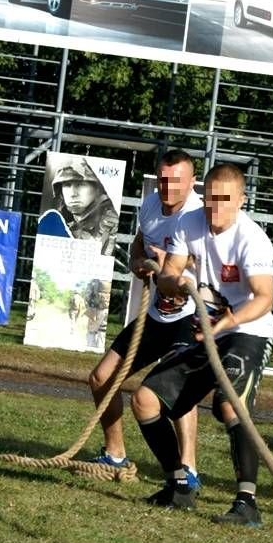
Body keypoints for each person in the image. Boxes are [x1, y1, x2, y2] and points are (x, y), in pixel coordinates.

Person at [131, 162, 273, 525]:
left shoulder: (252, 239)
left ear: (241, 200)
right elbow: (170, 273)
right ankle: (179, 485)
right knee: (145, 401)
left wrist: (226, 320)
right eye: (211, 199)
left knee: (228, 405)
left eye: (226, 200)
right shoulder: (189, 224)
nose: (216, 208)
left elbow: (263, 298)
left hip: (248, 332)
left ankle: (247, 503)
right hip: (206, 330)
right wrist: (172, 281)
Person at [87, 149, 203, 479]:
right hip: (156, 316)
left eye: (177, 181)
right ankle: (115, 453)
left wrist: (176, 262)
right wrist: (138, 261)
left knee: (178, 393)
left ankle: (188, 468)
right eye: (164, 180)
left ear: (192, 182)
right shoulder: (151, 204)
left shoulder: (198, 215)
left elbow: (207, 262)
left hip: (188, 317)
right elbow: (141, 242)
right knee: (101, 378)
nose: (169, 187)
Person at [46, 157, 120, 256]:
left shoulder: (109, 222)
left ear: (98, 189)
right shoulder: (60, 220)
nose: (73, 193)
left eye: (80, 184)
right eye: (67, 185)